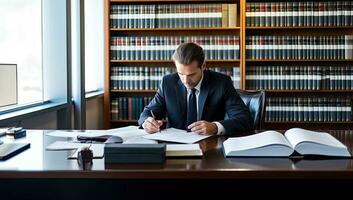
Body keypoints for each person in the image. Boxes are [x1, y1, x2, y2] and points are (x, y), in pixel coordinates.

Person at [138, 42, 253, 135]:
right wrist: (146, 123)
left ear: (203, 66)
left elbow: (244, 119)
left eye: (191, 75)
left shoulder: (221, 83)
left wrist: (214, 127)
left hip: (210, 149)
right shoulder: (168, 83)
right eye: (181, 74)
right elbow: (148, 112)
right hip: (175, 147)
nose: (185, 81)